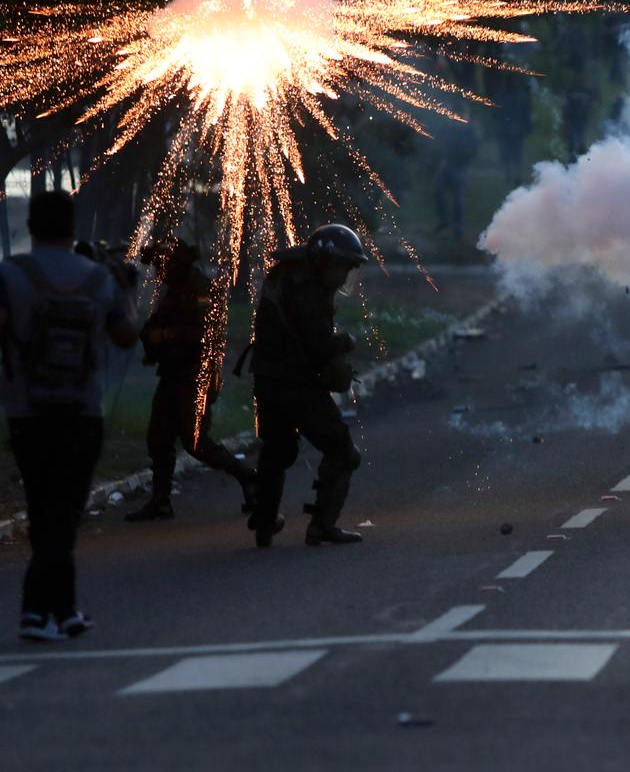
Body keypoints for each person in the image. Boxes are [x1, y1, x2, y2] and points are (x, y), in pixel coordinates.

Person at [0, 190, 138, 641]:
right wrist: (125, 288)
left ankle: (63, 610)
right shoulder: (99, 279)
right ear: (73, 228)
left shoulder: (9, 274)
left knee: (45, 508)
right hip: (82, 413)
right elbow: (125, 336)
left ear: (33, 228)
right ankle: (39, 614)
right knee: (63, 513)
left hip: (26, 414)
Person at [246, 225, 368, 548]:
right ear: (324, 260)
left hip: (269, 380)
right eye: (342, 267)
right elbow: (317, 345)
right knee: (343, 453)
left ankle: (265, 523)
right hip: (296, 384)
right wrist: (344, 342)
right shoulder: (308, 290)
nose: (344, 278)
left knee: (277, 450)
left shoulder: (288, 275)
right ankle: (322, 526)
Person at [126, 239, 256, 522]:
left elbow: (206, 335)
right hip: (174, 373)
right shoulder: (174, 291)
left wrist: (169, 335)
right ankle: (161, 501)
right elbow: (154, 327)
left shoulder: (200, 289)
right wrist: (153, 340)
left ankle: (249, 478)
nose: (158, 272)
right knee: (159, 438)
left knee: (195, 442)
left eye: (162, 266)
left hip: (196, 375)